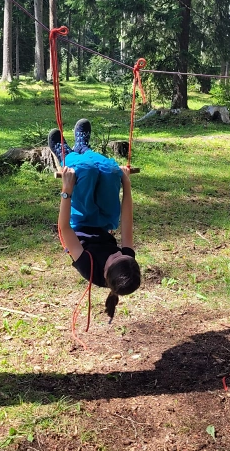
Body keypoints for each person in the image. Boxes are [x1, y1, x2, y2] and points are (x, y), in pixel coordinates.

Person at [50, 118, 141, 322]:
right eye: (122, 254)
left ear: (106, 270)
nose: (118, 253)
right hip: (104, 222)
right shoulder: (127, 263)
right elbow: (127, 222)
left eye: (114, 257)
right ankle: (83, 148)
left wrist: (67, 191)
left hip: (79, 223)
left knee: (85, 171)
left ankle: (65, 153)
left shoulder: (89, 267)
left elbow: (64, 228)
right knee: (111, 171)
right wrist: (125, 183)